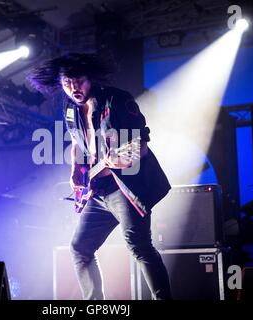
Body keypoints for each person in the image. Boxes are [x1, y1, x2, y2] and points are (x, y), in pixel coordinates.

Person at [28, 53, 172, 300]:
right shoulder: (70, 109)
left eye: (79, 81)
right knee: (79, 248)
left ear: (90, 77)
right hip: (97, 193)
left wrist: (115, 161)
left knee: (140, 247)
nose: (74, 89)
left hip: (125, 189)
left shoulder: (116, 100)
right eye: (67, 84)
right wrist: (76, 172)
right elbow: (76, 142)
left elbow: (139, 147)